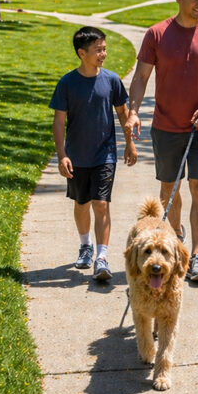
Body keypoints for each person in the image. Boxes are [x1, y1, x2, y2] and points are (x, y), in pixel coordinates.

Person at [126, 0, 198, 285]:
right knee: (169, 191)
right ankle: (176, 241)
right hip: (167, 126)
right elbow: (141, 77)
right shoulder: (157, 34)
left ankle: (196, 256)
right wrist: (133, 112)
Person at [50, 26, 137, 281]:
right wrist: (62, 154)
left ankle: (101, 257)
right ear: (81, 53)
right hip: (77, 156)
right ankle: (85, 245)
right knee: (81, 203)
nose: (104, 54)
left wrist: (129, 144)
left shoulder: (111, 80)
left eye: (104, 48)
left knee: (101, 203)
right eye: (98, 50)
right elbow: (58, 121)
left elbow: (122, 114)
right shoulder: (67, 83)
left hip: (104, 154)